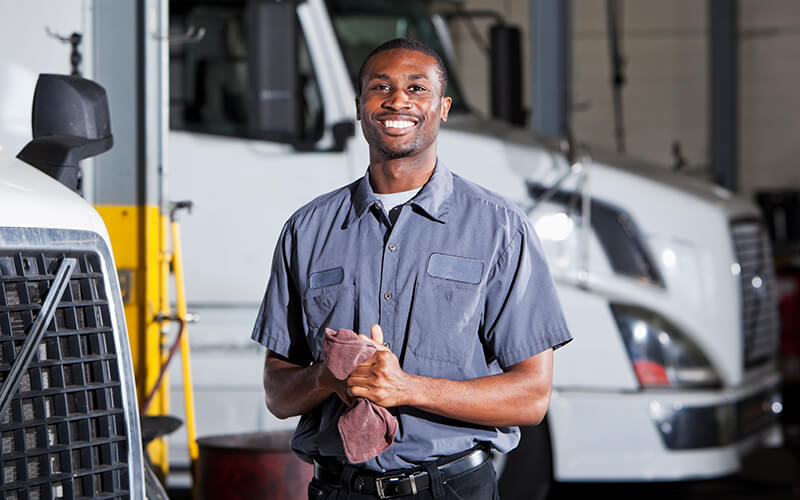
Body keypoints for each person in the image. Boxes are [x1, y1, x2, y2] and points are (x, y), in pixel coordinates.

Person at [251, 38, 572, 499]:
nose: (397, 99)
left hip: (453, 488)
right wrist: (328, 377)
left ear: (442, 108)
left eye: (416, 88)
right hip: (339, 489)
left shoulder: (500, 229)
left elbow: (531, 397)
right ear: (360, 106)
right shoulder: (308, 230)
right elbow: (277, 394)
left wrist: (406, 388)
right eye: (380, 87)